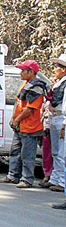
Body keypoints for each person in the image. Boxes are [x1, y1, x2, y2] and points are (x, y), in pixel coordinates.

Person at [0, 60, 46, 188]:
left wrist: (17, 119)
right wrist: (14, 118)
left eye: (23, 70)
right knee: (15, 152)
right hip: (20, 126)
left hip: (30, 127)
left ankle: (27, 179)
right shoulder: (25, 84)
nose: (20, 73)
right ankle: (13, 176)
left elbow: (30, 108)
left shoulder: (37, 87)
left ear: (30, 72)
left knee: (27, 155)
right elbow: (18, 103)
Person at [41, 55, 66, 193]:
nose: (55, 69)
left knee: (62, 152)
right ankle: (55, 179)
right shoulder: (58, 83)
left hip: (61, 117)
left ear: (63, 70)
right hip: (55, 117)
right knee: (56, 152)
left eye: (57, 67)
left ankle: (62, 181)